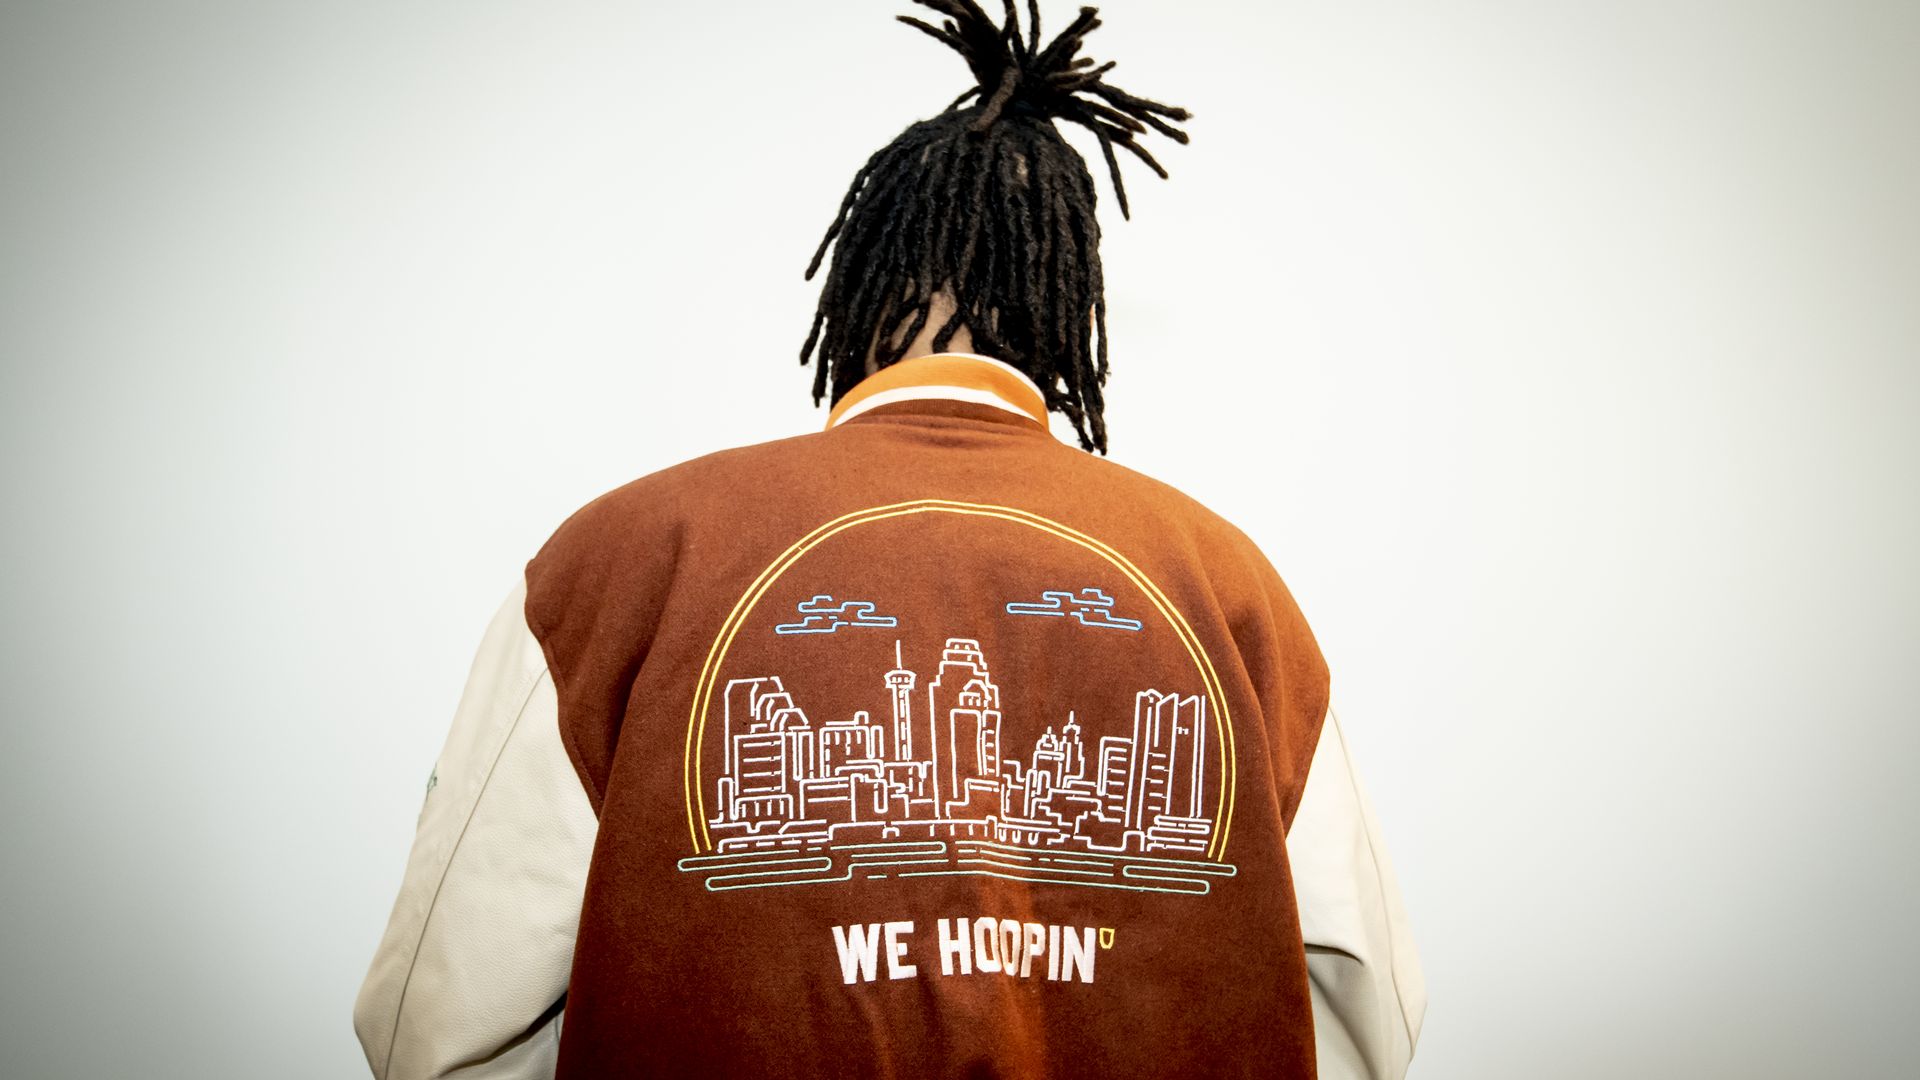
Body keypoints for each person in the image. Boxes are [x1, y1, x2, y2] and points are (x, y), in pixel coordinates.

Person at [352, 2, 1424, 1077]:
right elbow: (1368, 1013)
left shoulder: (618, 560)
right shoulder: (1231, 588)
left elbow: (438, 1018)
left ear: (858, 290)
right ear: (1064, 313)